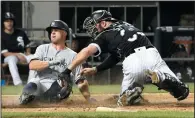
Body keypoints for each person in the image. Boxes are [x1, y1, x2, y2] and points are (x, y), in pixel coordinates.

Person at [60, 10, 189, 106]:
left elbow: (87, 51)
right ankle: (160, 77)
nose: (94, 30)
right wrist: (96, 69)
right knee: (182, 92)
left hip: (132, 61)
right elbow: (115, 57)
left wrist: (68, 70)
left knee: (124, 102)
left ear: (103, 23)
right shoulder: (126, 25)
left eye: (95, 25)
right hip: (151, 54)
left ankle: (131, 91)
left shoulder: (104, 35)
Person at [19, 20, 94, 105]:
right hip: (41, 83)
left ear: (65, 33)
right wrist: (51, 63)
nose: (53, 33)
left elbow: (80, 80)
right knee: (32, 83)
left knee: (65, 82)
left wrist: (88, 98)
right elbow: (32, 65)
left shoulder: (73, 55)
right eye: (51, 31)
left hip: (58, 87)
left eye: (56, 30)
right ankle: (28, 100)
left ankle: (41, 101)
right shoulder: (42, 48)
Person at [1, 12, 33, 86]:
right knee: (12, 59)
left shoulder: (20, 32)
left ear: (13, 22)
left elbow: (27, 46)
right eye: (6, 21)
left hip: (22, 54)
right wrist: (18, 55)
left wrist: (28, 53)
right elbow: (5, 53)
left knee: (34, 58)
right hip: (8, 57)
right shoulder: (1, 35)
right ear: (3, 23)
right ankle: (18, 83)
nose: (9, 23)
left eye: (11, 21)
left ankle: (31, 82)